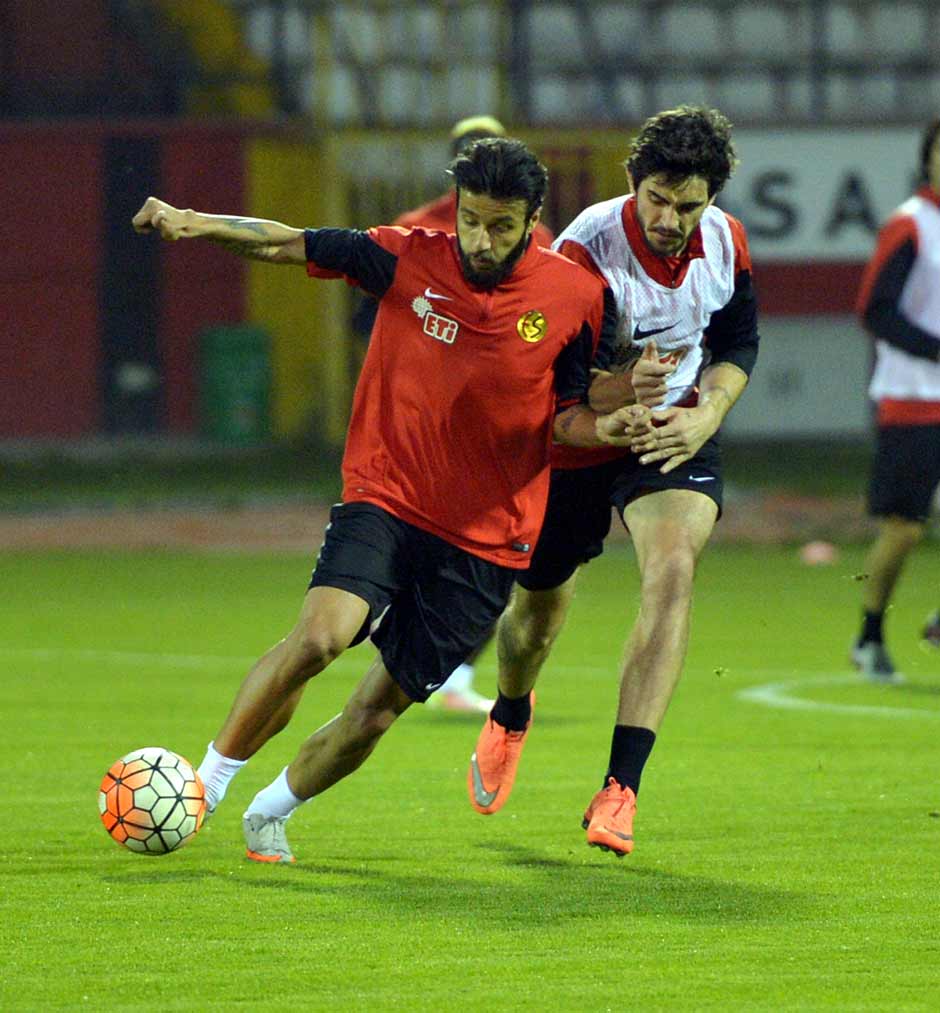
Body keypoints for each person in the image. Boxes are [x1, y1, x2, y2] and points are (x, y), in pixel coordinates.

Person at [131, 137, 637, 864]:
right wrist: (194, 220)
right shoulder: (408, 254)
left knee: (372, 714)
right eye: (470, 220)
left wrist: (607, 425)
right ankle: (202, 789)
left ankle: (270, 812)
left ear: (533, 221)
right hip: (388, 497)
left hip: (490, 538)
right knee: (320, 637)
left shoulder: (577, 298)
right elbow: (288, 244)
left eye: (501, 225)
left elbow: (565, 413)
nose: (481, 239)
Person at [466, 106, 760, 858]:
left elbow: (736, 340)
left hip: (672, 432)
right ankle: (509, 710)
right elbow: (555, 390)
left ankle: (620, 789)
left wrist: (705, 415)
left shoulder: (725, 241)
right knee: (535, 620)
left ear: (712, 198)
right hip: (582, 438)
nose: (670, 217)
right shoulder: (582, 253)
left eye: (688, 204)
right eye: (657, 199)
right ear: (633, 183)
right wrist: (620, 391)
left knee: (672, 572)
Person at [351, 115, 555, 714]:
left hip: (495, 438)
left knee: (498, 554)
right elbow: (373, 314)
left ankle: (453, 672)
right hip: (419, 431)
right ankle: (418, 645)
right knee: (449, 547)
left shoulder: (534, 242)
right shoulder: (417, 236)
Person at [851, 116, 940, 684]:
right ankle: (870, 633)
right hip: (914, 398)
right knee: (904, 528)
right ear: (927, 159)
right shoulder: (911, 225)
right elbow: (875, 310)